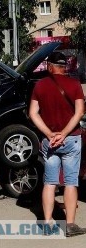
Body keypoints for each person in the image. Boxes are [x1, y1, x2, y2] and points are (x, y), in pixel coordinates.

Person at [29, 51, 86, 237]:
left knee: (50, 182)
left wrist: (50, 134)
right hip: (71, 139)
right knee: (70, 182)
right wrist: (65, 133)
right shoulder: (75, 84)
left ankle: (47, 223)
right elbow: (79, 113)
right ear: (64, 67)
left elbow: (33, 113)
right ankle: (70, 225)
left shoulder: (40, 86)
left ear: (50, 66)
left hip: (50, 141)